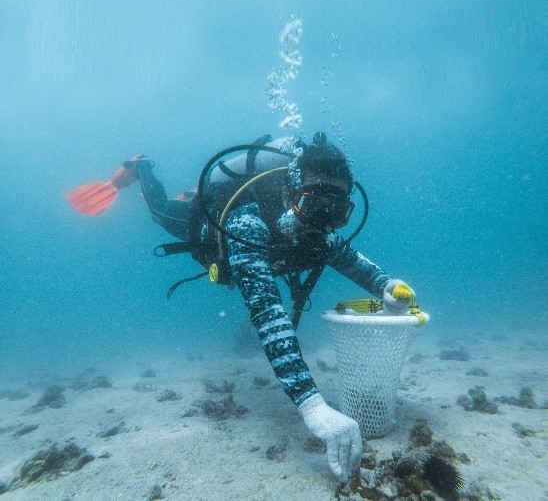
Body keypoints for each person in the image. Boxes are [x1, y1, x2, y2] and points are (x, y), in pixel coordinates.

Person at [107, 132, 415, 483]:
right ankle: (142, 167)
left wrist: (389, 286)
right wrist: (312, 406)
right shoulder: (248, 224)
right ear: (289, 192)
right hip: (202, 229)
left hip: (266, 235)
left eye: (336, 212)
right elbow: (269, 314)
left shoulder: (321, 231)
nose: (322, 222)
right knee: (161, 211)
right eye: (313, 206)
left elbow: (353, 261)